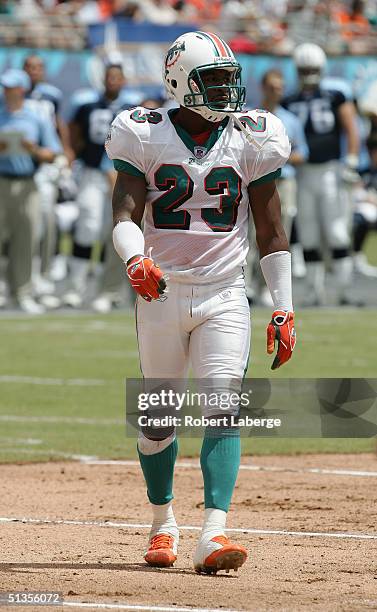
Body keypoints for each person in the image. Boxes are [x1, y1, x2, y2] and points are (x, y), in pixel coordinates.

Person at [106, 31, 296, 574]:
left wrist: (283, 307)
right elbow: (124, 213)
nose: (227, 90)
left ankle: (213, 533)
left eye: (229, 78)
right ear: (178, 82)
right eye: (212, 80)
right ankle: (162, 522)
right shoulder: (144, 133)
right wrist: (134, 260)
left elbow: (272, 231)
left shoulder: (252, 137)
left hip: (224, 292)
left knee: (224, 405)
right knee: (158, 419)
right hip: (160, 290)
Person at [282, 43, 360, 306]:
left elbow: (351, 127)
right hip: (302, 172)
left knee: (337, 231)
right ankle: (315, 292)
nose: (308, 74)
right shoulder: (289, 100)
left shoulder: (336, 94)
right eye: (304, 69)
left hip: (330, 170)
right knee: (309, 232)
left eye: (312, 69)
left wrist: (350, 160)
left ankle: (344, 290)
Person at [64, 63, 139, 308]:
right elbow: (74, 131)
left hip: (122, 177)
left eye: (117, 77)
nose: (113, 82)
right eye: (109, 77)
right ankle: (75, 286)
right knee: (88, 225)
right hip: (93, 173)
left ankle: (108, 291)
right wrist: (73, 154)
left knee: (114, 233)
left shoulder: (132, 109)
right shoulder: (87, 105)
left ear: (123, 80)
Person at [0, 69, 61, 314]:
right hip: (2, 180)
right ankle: (3, 290)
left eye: (11, 88)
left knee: (26, 240)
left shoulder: (36, 119)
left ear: (22, 90)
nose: (6, 92)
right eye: (5, 88)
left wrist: (32, 148)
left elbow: (52, 152)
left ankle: (23, 292)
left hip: (28, 182)